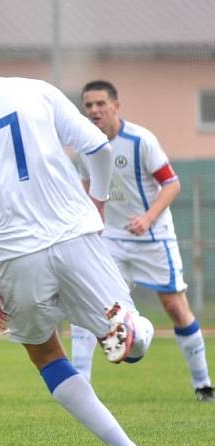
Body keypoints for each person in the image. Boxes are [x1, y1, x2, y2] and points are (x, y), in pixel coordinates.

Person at [0, 21, 155, 446]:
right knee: (131, 344)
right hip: (74, 231)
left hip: (14, 253)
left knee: (45, 352)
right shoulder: (36, 91)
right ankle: (131, 326)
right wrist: (99, 201)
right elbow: (98, 150)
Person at [70, 80, 213, 402]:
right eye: (88, 105)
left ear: (115, 106)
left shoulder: (141, 140)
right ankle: (82, 385)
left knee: (175, 307)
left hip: (152, 237)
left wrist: (148, 218)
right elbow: (86, 188)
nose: (94, 110)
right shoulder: (84, 145)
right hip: (110, 240)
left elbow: (172, 184)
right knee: (88, 301)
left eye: (100, 104)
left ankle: (203, 384)